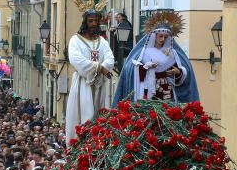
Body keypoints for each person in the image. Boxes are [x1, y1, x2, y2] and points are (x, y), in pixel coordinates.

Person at [116, 13, 199, 105]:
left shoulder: (172, 53)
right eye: (160, 36)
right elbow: (130, 69)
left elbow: (183, 72)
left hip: (167, 92)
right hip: (148, 91)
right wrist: (146, 67)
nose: (163, 39)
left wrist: (178, 72)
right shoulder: (143, 53)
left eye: (165, 37)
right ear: (154, 36)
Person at [64, 9, 115, 144]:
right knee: (84, 115)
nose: (93, 24)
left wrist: (102, 67)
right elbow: (76, 60)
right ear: (85, 22)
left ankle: (97, 142)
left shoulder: (102, 42)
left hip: (99, 84)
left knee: (99, 114)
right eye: (90, 21)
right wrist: (99, 67)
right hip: (83, 83)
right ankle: (81, 144)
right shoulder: (76, 40)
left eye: (96, 21)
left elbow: (110, 58)